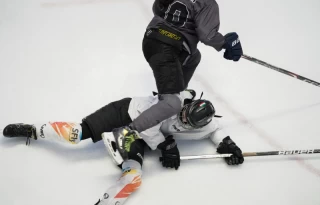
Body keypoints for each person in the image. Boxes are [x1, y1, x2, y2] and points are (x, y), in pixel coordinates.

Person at [3, 90, 244, 205]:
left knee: (134, 177)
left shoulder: (206, 123)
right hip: (126, 112)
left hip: (137, 137)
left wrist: (229, 146)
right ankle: (32, 129)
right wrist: (165, 145)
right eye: (182, 114)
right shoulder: (174, 100)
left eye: (186, 122)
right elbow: (150, 126)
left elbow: (215, 130)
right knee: (76, 135)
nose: (180, 120)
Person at [127, 0, 244, 137]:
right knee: (172, 103)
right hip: (168, 49)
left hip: (151, 40)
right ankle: (126, 133)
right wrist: (226, 42)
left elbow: (157, 10)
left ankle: (177, 94)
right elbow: (207, 35)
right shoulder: (207, 2)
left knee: (194, 57)